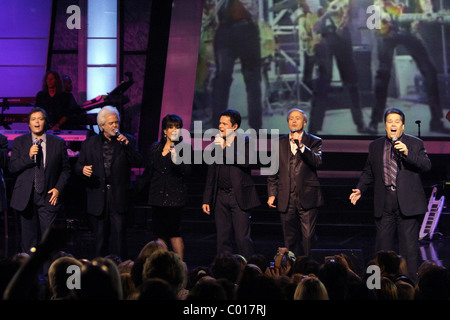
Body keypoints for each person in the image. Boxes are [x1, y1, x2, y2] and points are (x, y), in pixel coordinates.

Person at [350, 108, 432, 281]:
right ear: (385, 125)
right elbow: (368, 172)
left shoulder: (415, 143)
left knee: (409, 251)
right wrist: (360, 188)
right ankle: (376, 287)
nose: (393, 124)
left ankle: (409, 287)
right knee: (381, 251)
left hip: (408, 204)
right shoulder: (375, 146)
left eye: (397, 121)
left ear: (402, 126)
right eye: (389, 121)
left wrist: (407, 153)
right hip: (384, 202)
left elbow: (426, 166)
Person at [369, 0, 448, 133]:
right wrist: (382, 14)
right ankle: (374, 121)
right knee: (383, 74)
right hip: (388, 32)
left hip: (409, 31)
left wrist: (429, 15)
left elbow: (424, 8)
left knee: (430, 72)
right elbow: (377, 5)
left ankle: (436, 121)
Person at [75, 106, 142, 259]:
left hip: (118, 197)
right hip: (98, 196)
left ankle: (121, 273)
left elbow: (138, 161)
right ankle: (99, 272)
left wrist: (127, 147)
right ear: (102, 125)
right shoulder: (89, 144)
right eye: (111, 123)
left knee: (119, 240)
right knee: (99, 240)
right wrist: (83, 170)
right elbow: (78, 166)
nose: (115, 126)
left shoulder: (128, 141)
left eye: (116, 123)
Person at [9, 107, 71, 254]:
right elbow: (12, 167)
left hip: (48, 196)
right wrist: (29, 156)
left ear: (46, 122)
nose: (37, 121)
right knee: (28, 242)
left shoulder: (58, 143)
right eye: (33, 119)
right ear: (29, 124)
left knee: (48, 241)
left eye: (40, 118)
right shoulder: (19, 142)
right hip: (26, 198)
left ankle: (48, 274)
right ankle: (29, 275)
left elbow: (66, 170)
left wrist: (58, 189)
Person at [202, 109, 260, 259]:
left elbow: (247, 162)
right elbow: (211, 172)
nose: (220, 126)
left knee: (242, 238)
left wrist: (225, 148)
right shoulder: (217, 142)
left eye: (224, 123)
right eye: (220, 123)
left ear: (234, 126)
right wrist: (207, 199)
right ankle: (224, 270)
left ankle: (248, 269)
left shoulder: (245, 140)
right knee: (222, 238)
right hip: (220, 195)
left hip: (238, 195)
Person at [308, 0, 371, 134]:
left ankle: (360, 123)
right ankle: (313, 127)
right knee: (323, 80)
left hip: (342, 33)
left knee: (351, 79)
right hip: (324, 34)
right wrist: (323, 12)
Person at [267, 108, 324, 257]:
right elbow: (273, 170)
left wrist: (301, 146)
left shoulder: (314, 141)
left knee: (308, 237)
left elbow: (317, 161)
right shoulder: (278, 143)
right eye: (291, 118)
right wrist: (272, 193)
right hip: (287, 196)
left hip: (307, 195)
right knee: (290, 237)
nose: (294, 120)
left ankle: (309, 266)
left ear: (304, 122)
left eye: (298, 118)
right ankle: (292, 269)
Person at [141, 114, 191, 260]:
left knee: (175, 234)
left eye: (177, 127)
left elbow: (187, 171)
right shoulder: (155, 148)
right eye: (171, 127)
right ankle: (162, 266)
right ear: (164, 130)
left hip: (175, 198)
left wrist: (175, 156)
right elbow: (150, 172)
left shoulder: (184, 148)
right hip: (157, 197)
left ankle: (180, 267)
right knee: (159, 234)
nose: (174, 130)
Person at [210, 0, 262, 130]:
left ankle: (256, 127)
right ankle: (217, 125)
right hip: (225, 28)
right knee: (222, 78)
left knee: (252, 79)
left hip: (247, 28)